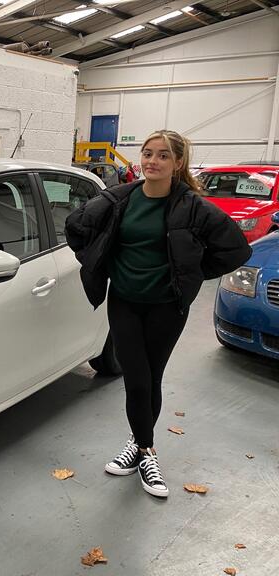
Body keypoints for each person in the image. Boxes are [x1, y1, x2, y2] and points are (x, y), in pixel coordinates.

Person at [64, 130, 251, 498]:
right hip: (125, 301)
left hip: (167, 306)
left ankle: (142, 447)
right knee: (136, 377)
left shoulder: (193, 207)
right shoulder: (119, 199)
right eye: (147, 154)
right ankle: (144, 447)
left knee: (152, 376)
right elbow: (77, 228)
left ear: (177, 163)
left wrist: (188, 274)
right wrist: (102, 262)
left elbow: (235, 250)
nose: (152, 161)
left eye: (163, 156)